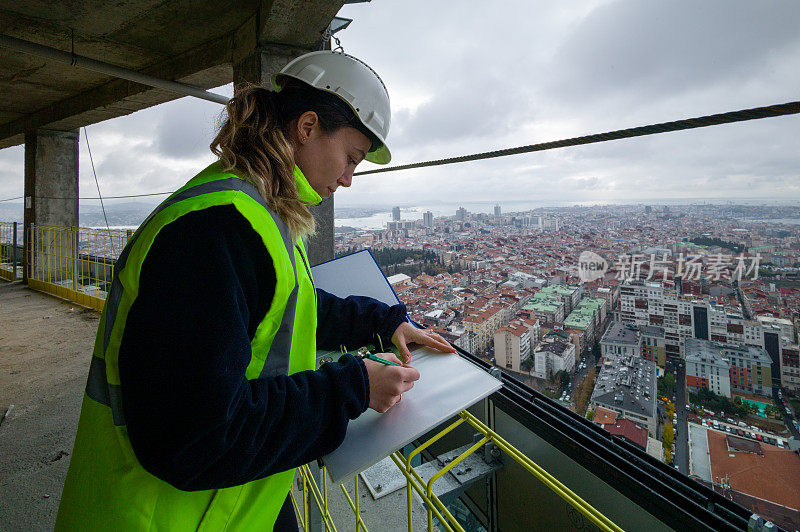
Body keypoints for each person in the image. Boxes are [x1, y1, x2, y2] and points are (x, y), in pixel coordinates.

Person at [55, 50, 455, 531]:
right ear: (307, 127)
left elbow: (285, 306)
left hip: (226, 499)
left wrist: (382, 322)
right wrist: (351, 387)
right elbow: (193, 439)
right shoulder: (217, 230)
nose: (348, 179)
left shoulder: (253, 209)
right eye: (350, 158)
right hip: (157, 515)